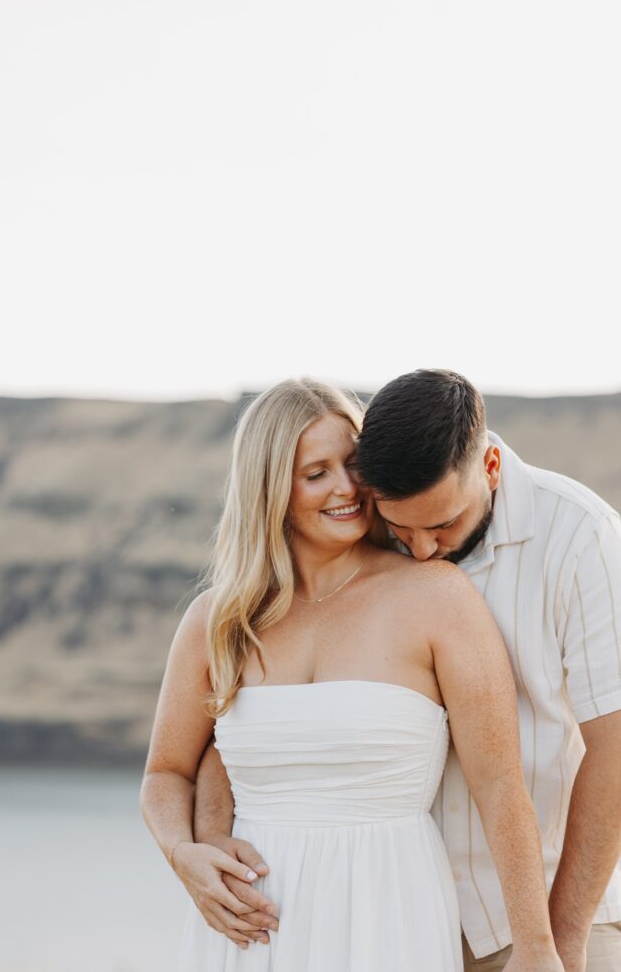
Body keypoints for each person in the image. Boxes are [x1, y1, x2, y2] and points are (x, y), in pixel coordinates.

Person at [194, 370, 621, 972]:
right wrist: (201, 844)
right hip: (414, 915)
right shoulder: (362, 528)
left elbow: (615, 749)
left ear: (490, 469)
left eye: (441, 526)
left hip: (551, 902)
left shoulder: (581, 537)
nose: (421, 550)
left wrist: (559, 938)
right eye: (402, 530)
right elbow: (238, 739)